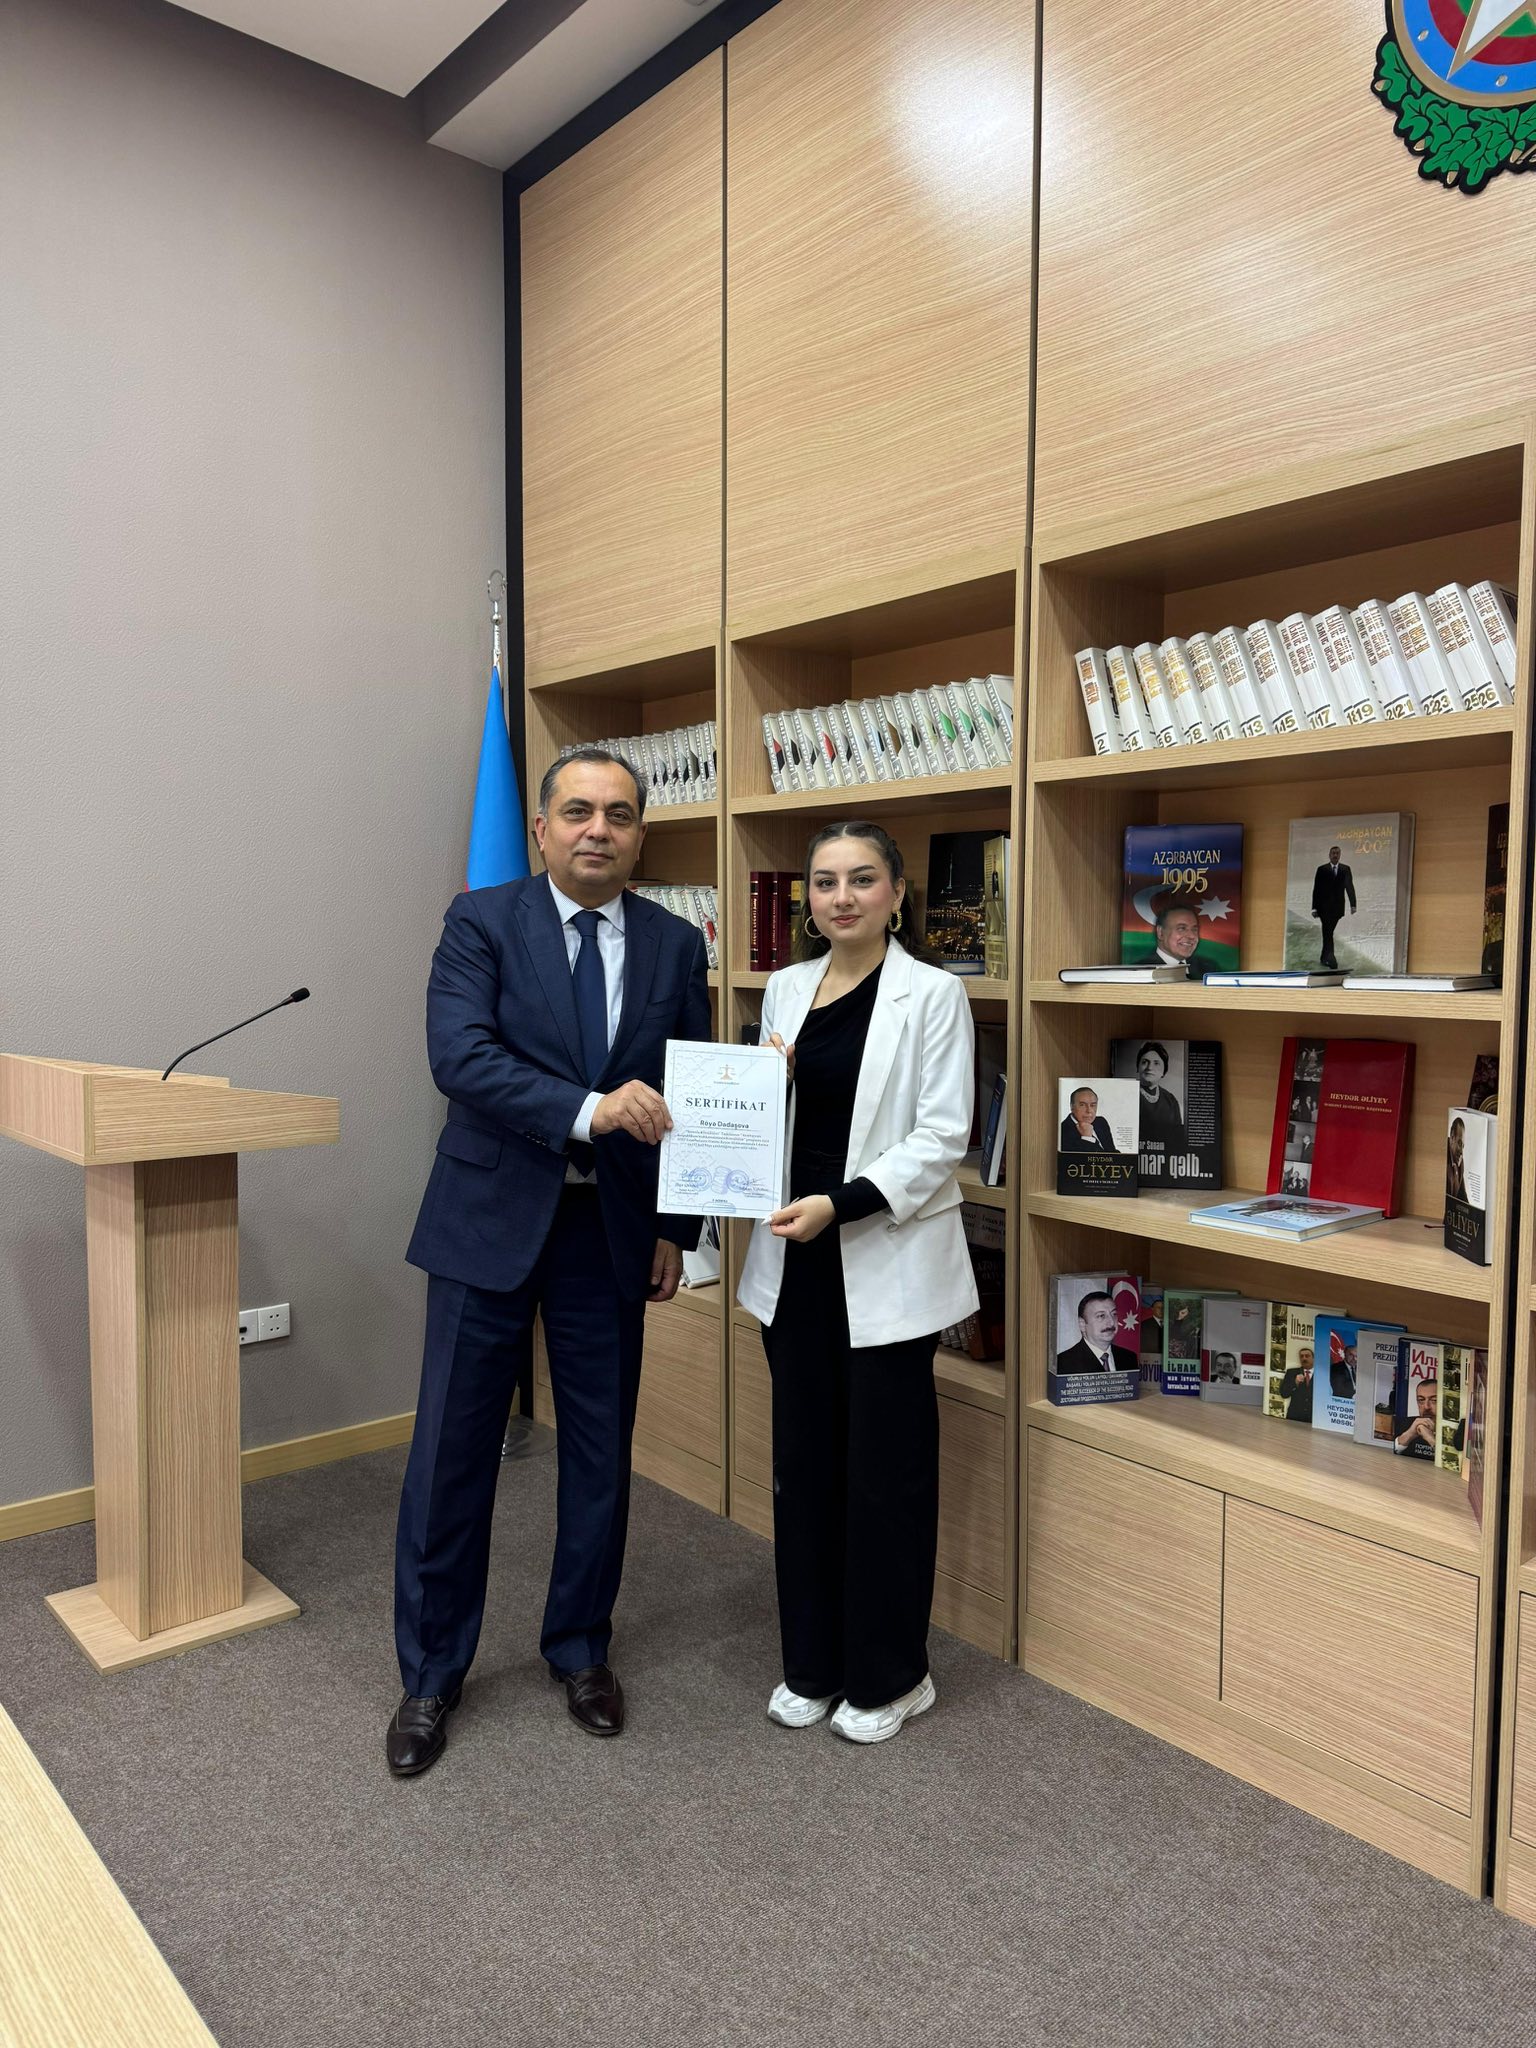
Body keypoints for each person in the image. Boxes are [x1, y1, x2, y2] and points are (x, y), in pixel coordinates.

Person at [387, 747, 711, 1776]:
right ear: (540, 827)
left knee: (601, 1453)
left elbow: (691, 1091)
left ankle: (580, 1646)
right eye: (577, 811)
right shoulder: (480, 921)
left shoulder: (674, 942)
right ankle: (431, 1673)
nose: (597, 829)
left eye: (618, 814)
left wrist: (678, 1229)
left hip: (608, 1231)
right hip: (486, 1220)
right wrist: (589, 1109)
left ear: (641, 834)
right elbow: (460, 1057)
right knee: (451, 1451)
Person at [737, 822, 978, 1746]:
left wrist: (839, 1205)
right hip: (794, 1264)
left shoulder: (934, 994)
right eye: (826, 882)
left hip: (883, 1260)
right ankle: (813, 1665)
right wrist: (762, 1089)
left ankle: (892, 1676)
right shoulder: (786, 988)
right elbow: (766, 1123)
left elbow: (942, 1136)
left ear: (898, 894)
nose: (843, 897)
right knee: (802, 1473)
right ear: (807, 898)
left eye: (863, 879)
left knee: (884, 1480)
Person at [1055, 1290, 1138, 1374]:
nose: (1111, 1322)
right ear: (1082, 1324)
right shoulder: (1064, 1363)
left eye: (1114, 1314)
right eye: (1101, 1316)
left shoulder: (1129, 1357)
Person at [1150, 896, 1224, 980]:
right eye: (1182, 928)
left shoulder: (1209, 969)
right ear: (1160, 933)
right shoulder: (1142, 972)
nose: (1191, 936)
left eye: (1194, 929)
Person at [1134, 1041, 1185, 1157]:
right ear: (1138, 1067)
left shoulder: (1170, 1100)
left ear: (1164, 1071)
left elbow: (1177, 1140)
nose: (1149, 1067)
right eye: (1144, 1062)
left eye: (1156, 1063)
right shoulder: (1127, 1093)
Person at [1310, 842, 1356, 969]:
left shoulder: (1345, 869)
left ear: (1340, 855)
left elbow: (1349, 887)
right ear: (1329, 855)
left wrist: (1353, 904)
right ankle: (1331, 959)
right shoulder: (1322, 869)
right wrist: (1314, 908)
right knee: (1328, 932)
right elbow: (1317, 889)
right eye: (1333, 853)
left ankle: (1324, 956)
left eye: (1337, 853)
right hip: (1323, 908)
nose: (1335, 855)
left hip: (1337, 908)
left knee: (1328, 932)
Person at [1059, 1086, 1117, 1151]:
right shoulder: (1062, 1131)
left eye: (1092, 1105)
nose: (1089, 1111)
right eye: (1082, 1105)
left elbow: (1113, 1152)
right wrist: (1087, 1138)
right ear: (1072, 1106)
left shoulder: (1101, 1122)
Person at [1280, 1348, 1314, 1423]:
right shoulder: (1291, 1372)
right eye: (1301, 1356)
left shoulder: (1322, 1375)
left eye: (1307, 1356)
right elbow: (1284, 1394)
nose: (1304, 1358)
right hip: (1294, 1417)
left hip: (1313, 1418)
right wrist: (1295, 1382)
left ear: (1313, 1358)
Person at [1447, 1116, 1467, 1201]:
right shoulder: (1443, 1157)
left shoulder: (1460, 1161)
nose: (1461, 1151)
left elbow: (1463, 1198)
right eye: (1459, 1143)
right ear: (1452, 1137)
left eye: (1463, 1146)